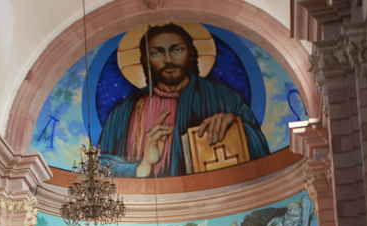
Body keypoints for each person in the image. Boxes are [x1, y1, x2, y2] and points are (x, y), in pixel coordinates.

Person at [97, 22, 270, 178]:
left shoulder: (223, 97)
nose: (168, 60)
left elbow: (261, 153)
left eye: (177, 49)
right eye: (156, 53)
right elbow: (101, 168)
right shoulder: (124, 111)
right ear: (146, 61)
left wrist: (236, 126)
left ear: (192, 54)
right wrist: (144, 164)